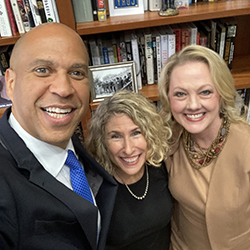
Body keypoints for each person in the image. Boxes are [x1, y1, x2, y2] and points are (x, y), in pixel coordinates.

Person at [0, 23, 117, 250]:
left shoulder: (70, 146)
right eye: (43, 70)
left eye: (76, 73)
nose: (64, 89)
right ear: (11, 84)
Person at [158, 45, 250, 250]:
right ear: (168, 98)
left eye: (205, 92)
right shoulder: (168, 140)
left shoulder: (246, 145)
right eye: (180, 94)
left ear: (222, 93)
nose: (192, 105)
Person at [84, 90, 173, 250]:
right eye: (115, 136)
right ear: (102, 142)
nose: (128, 149)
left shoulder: (161, 167)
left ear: (150, 134)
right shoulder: (94, 187)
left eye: (136, 133)